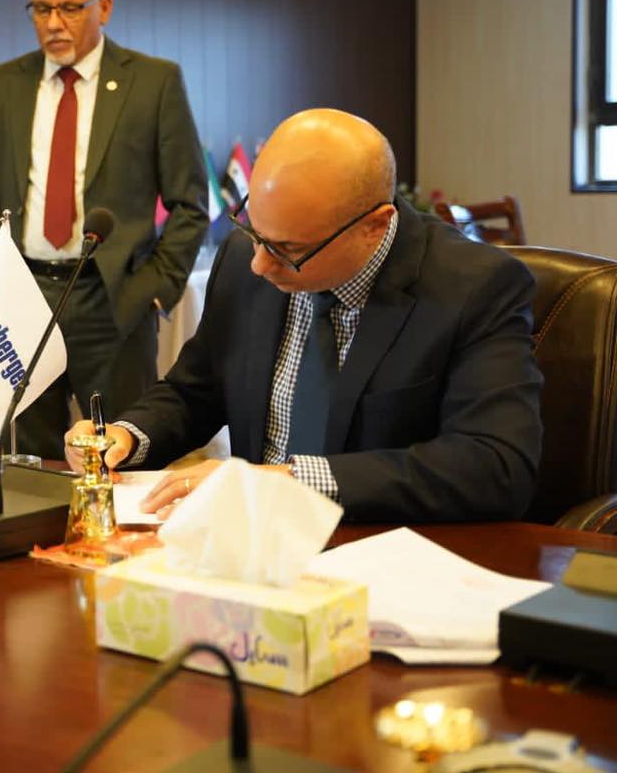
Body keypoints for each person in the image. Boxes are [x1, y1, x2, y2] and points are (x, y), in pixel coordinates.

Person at [64, 108, 544, 523]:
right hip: (250, 543)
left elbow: (494, 465)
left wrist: (285, 481)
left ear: (375, 225)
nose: (260, 264)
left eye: (287, 249)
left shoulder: (475, 287)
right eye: (255, 232)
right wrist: (127, 437)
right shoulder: (243, 260)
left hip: (382, 545)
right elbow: (197, 390)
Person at [0, 0, 208, 459]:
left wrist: (153, 290)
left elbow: (190, 203)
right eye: (41, 8)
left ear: (104, 7)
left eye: (70, 8)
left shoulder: (153, 82)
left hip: (111, 300)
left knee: (119, 455)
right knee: (26, 459)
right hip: (19, 297)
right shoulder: (1, 84)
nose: (54, 23)